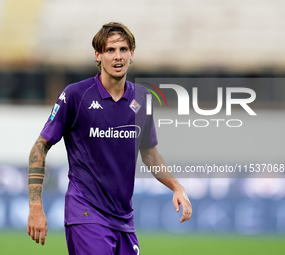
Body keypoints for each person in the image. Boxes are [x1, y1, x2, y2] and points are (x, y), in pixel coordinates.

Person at [27, 22, 192, 254]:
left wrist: (177, 187)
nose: (118, 56)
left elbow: (150, 155)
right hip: (85, 213)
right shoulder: (76, 95)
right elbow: (39, 147)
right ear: (98, 55)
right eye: (110, 50)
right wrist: (35, 205)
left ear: (131, 54)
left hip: (124, 219)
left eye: (123, 49)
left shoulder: (143, 99)